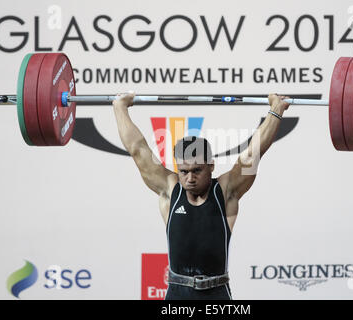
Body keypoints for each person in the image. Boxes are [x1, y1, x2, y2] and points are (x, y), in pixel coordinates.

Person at [112, 92, 290, 300]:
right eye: (184, 171)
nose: (189, 178)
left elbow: (253, 153)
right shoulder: (170, 190)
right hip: (177, 293)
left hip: (216, 293)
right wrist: (119, 106)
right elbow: (137, 149)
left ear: (211, 166)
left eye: (197, 170)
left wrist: (276, 109)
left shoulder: (225, 191)